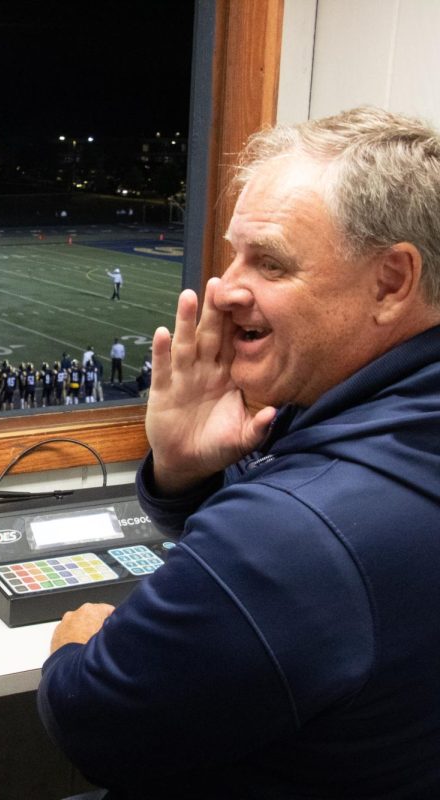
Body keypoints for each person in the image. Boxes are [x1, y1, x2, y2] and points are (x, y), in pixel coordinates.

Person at [39, 107, 440, 796]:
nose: (224, 286)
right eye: (233, 252)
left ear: (392, 282)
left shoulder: (298, 533)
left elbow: (95, 721)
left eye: (271, 260)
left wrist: (75, 645)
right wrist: (186, 475)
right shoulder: (384, 441)